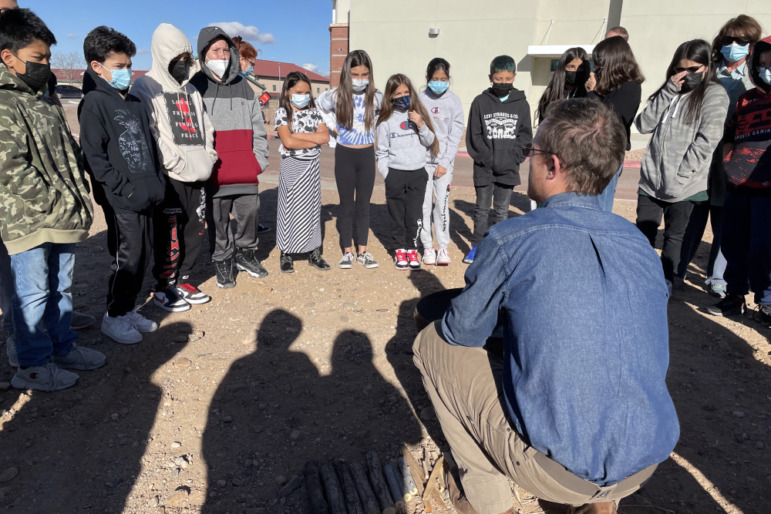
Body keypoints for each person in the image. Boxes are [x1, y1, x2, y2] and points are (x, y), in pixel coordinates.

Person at [413, 98, 679, 514]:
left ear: (552, 165)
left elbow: (461, 332)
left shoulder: (512, 238)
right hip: (644, 462)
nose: (527, 161)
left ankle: (488, 499)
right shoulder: (641, 246)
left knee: (432, 343)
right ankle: (603, 504)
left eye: (531, 152)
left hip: (557, 471)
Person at [0, 8, 105, 391]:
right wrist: (53, 201)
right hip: (29, 218)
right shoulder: (4, 101)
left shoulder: (44, 97)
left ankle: (62, 347)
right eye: (37, 58)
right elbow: (9, 166)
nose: (45, 65)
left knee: (61, 289)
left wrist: (80, 183)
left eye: (47, 57)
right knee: (32, 295)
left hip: (60, 214)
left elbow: (66, 147)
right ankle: (32, 366)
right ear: (7, 57)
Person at [79, 26, 166, 344]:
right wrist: (122, 188)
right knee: (127, 258)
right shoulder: (94, 103)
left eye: (129, 65)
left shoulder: (136, 103)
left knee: (144, 255)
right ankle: (114, 316)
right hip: (122, 199)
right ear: (97, 67)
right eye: (119, 66)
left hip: (149, 194)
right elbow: (95, 156)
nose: (126, 71)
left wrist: (157, 182)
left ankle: (128, 309)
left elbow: (151, 147)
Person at [130, 24, 218, 312]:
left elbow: (206, 127)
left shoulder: (191, 90)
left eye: (187, 56)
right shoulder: (145, 87)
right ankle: (164, 285)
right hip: (171, 176)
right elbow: (152, 132)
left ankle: (185, 279)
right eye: (177, 56)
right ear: (163, 54)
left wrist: (209, 155)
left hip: (199, 173)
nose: (184, 62)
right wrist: (175, 162)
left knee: (196, 229)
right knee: (170, 232)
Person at [676, 15, 763, 297]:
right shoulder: (708, 73)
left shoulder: (756, 79)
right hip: (701, 156)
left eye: (741, 41)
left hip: (734, 158)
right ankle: (677, 270)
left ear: (752, 45)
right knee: (691, 217)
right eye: (728, 40)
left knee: (725, 223)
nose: (733, 46)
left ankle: (718, 279)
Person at [634, 40, 728, 293]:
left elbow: (708, 140)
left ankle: (666, 283)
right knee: (644, 232)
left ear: (707, 67)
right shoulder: (671, 90)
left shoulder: (714, 95)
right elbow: (643, 125)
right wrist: (667, 92)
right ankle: (640, 279)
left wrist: (682, 173)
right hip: (652, 180)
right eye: (680, 69)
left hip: (685, 185)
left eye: (693, 69)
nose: (685, 75)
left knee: (674, 238)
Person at [189, 27, 269, 289]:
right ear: (203, 54)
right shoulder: (194, 87)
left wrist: (258, 160)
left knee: (250, 215)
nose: (222, 55)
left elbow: (258, 126)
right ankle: (222, 259)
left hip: (245, 169)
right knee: (218, 222)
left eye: (225, 50)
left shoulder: (244, 86)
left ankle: (246, 255)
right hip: (214, 172)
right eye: (215, 50)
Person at [707, 35, 771, 323]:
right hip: (739, 187)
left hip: (767, 192)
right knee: (733, 242)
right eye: (763, 64)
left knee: (763, 247)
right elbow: (730, 135)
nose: (767, 69)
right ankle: (735, 296)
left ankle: (767, 301)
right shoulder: (747, 99)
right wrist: (729, 164)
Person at [316, 50, 382, 269]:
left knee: (363, 205)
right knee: (346, 205)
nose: (360, 79)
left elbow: (386, 115)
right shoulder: (335, 95)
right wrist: (331, 126)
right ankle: (347, 251)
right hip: (345, 154)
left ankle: (362, 251)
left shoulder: (376, 96)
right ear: (347, 73)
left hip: (366, 155)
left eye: (365, 75)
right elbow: (318, 107)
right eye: (355, 74)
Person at [464, 55, 532, 264]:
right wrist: (488, 158)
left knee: (501, 212)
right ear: (490, 77)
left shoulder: (522, 104)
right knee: (482, 210)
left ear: (514, 77)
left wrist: (514, 158)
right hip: (484, 169)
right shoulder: (480, 102)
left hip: (508, 169)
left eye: (507, 79)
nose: (503, 83)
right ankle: (478, 246)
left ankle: (498, 248)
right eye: (498, 79)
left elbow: (525, 135)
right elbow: (474, 135)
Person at [376, 73, 438, 271]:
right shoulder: (385, 121)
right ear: (390, 97)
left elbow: (429, 141)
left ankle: (412, 248)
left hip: (417, 174)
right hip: (396, 174)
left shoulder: (418, 114)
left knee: (414, 215)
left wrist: (420, 124)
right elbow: (381, 152)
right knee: (397, 215)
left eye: (406, 92)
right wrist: (388, 174)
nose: (403, 96)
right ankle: (399, 249)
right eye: (398, 93)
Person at [273, 71, 330, 273]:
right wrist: (313, 136)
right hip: (292, 166)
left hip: (311, 166)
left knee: (312, 211)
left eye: (307, 92)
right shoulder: (282, 113)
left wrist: (299, 135)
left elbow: (325, 137)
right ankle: (286, 254)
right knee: (289, 210)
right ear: (288, 92)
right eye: (299, 91)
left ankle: (313, 252)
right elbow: (287, 141)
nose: (304, 95)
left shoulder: (315, 112)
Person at [587, 36, 644, 212]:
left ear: (613, 63)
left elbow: (606, 120)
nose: (595, 70)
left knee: (599, 207)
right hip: (594, 151)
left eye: (599, 65)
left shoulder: (630, 87)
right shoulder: (610, 88)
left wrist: (593, 92)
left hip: (608, 153)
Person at [418, 58, 464, 266]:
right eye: (435, 79)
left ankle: (443, 247)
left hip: (444, 162)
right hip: (422, 162)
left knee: (442, 206)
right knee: (424, 205)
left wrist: (445, 162)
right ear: (428, 78)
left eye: (443, 79)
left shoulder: (454, 101)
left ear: (448, 79)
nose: (439, 82)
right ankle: (427, 246)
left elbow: (455, 135)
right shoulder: (420, 99)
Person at [535, 47, 590, 123]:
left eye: (580, 68)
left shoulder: (588, 94)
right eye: (571, 67)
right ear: (563, 68)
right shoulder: (550, 94)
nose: (576, 71)